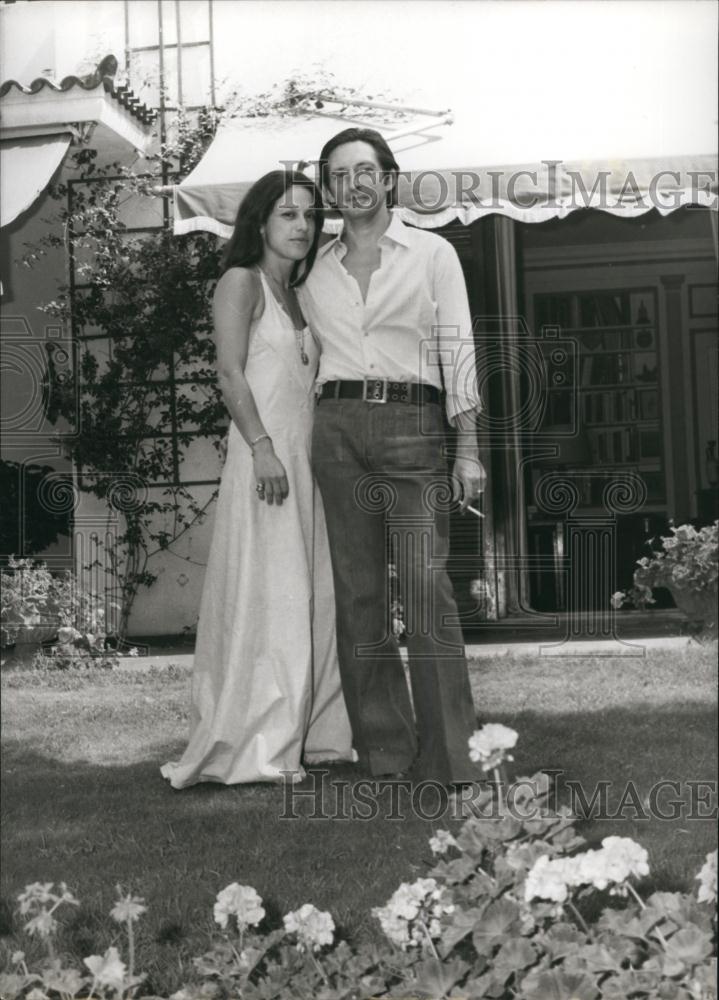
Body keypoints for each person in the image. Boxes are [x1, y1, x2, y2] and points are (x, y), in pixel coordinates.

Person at [298, 128, 485, 787]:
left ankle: (450, 757)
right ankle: (384, 750)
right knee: (358, 593)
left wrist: (467, 449)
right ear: (328, 188)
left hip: (412, 423)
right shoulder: (310, 268)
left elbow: (458, 349)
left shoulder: (432, 253)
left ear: (387, 179)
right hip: (336, 428)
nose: (352, 184)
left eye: (363, 171)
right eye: (338, 175)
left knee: (426, 587)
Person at [161, 170, 353, 789]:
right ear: (260, 222)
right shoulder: (240, 282)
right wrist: (263, 448)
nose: (302, 226)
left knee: (311, 595)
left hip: (307, 459)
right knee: (272, 595)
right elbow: (229, 373)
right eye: (287, 214)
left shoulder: (299, 291)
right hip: (264, 458)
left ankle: (315, 734)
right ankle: (261, 742)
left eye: (309, 215)